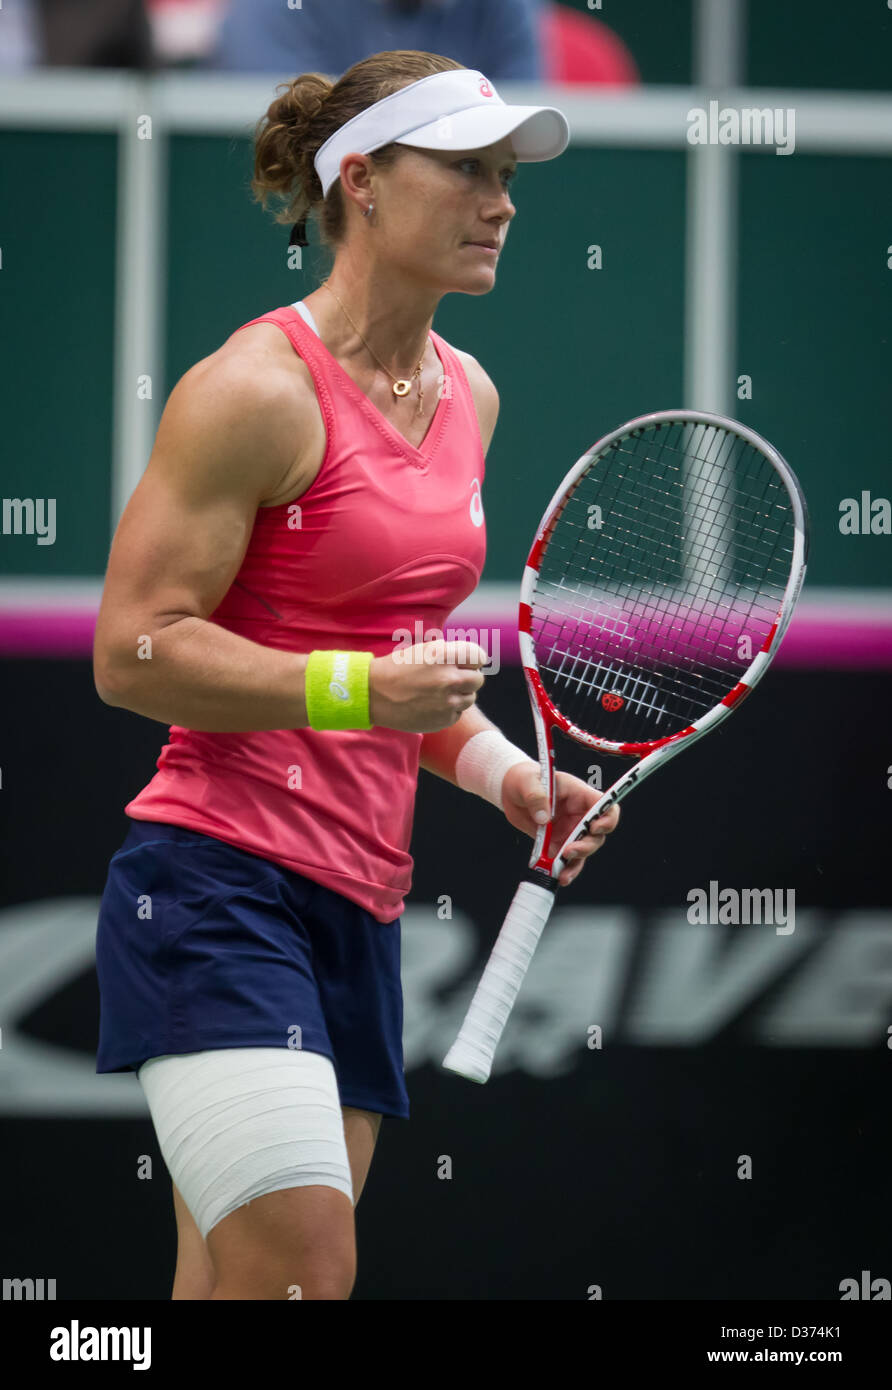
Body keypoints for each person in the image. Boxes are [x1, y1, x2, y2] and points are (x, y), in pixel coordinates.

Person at [92, 49, 620, 1301]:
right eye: (468, 171)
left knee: (230, 1289)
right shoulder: (252, 392)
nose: (501, 201)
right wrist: (349, 694)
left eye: (506, 175)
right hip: (216, 888)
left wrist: (504, 777)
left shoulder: (469, 397)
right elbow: (132, 650)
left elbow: (405, 675)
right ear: (366, 181)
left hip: (360, 914)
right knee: (299, 1281)